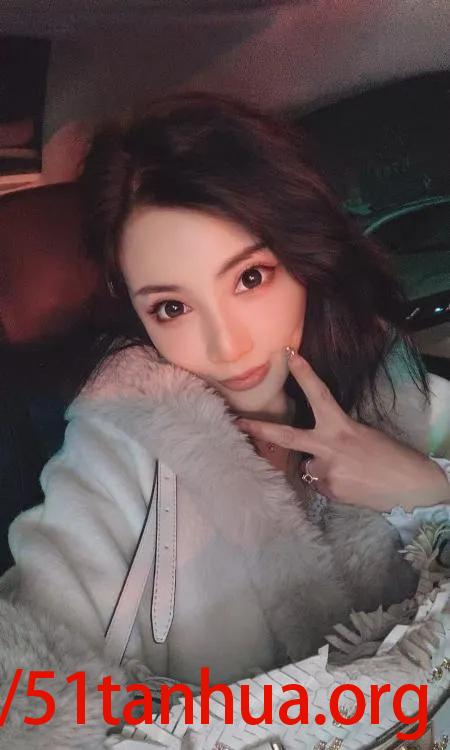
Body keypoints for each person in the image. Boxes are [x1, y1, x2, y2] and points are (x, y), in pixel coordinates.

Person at [0, 92, 449, 748]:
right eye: (172, 308)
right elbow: (28, 669)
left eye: (251, 278)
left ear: (304, 256)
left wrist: (426, 488)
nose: (227, 346)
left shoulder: (393, 386)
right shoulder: (118, 444)